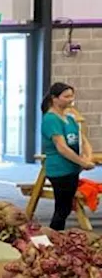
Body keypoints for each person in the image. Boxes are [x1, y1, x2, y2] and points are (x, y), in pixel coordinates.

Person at [41, 82, 95, 230]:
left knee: (65, 208)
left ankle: (57, 238)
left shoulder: (70, 119)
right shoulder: (51, 119)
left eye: (72, 96)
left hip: (72, 169)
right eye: (66, 96)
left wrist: (87, 157)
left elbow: (83, 141)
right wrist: (82, 162)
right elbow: (62, 147)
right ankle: (54, 238)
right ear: (54, 98)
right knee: (62, 208)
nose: (70, 99)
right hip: (59, 169)